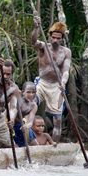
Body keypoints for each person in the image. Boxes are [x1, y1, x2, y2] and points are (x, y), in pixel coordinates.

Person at [32, 14, 72, 143]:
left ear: (62, 39)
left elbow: (65, 71)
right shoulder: (43, 46)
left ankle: (53, 147)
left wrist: (64, 83)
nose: (55, 40)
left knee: (58, 120)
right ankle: (28, 142)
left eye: (58, 38)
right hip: (42, 83)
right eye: (53, 37)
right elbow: (33, 41)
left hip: (57, 86)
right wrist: (36, 28)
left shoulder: (66, 52)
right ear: (49, 36)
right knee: (30, 104)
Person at [14, 82, 39, 147]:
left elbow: (30, 122)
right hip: (8, 125)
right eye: (28, 92)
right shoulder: (17, 99)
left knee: (35, 143)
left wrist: (27, 126)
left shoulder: (33, 106)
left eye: (33, 92)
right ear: (23, 92)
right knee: (15, 146)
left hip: (20, 125)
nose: (31, 95)